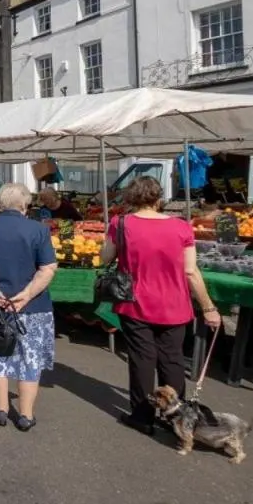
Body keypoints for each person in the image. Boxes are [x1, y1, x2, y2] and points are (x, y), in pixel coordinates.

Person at [100, 176, 222, 435]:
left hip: (136, 303)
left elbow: (105, 258)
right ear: (159, 198)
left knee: (142, 360)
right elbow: (191, 272)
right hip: (175, 305)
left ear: (131, 198)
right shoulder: (181, 227)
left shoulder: (120, 223)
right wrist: (209, 307)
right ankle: (175, 416)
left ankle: (143, 417)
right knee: (172, 360)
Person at [0, 183, 58, 430]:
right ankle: (25, 415)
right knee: (30, 360)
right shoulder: (38, 230)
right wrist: (26, 295)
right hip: (31, 308)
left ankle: (2, 409)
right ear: (25, 205)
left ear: (0, 203)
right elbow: (48, 268)